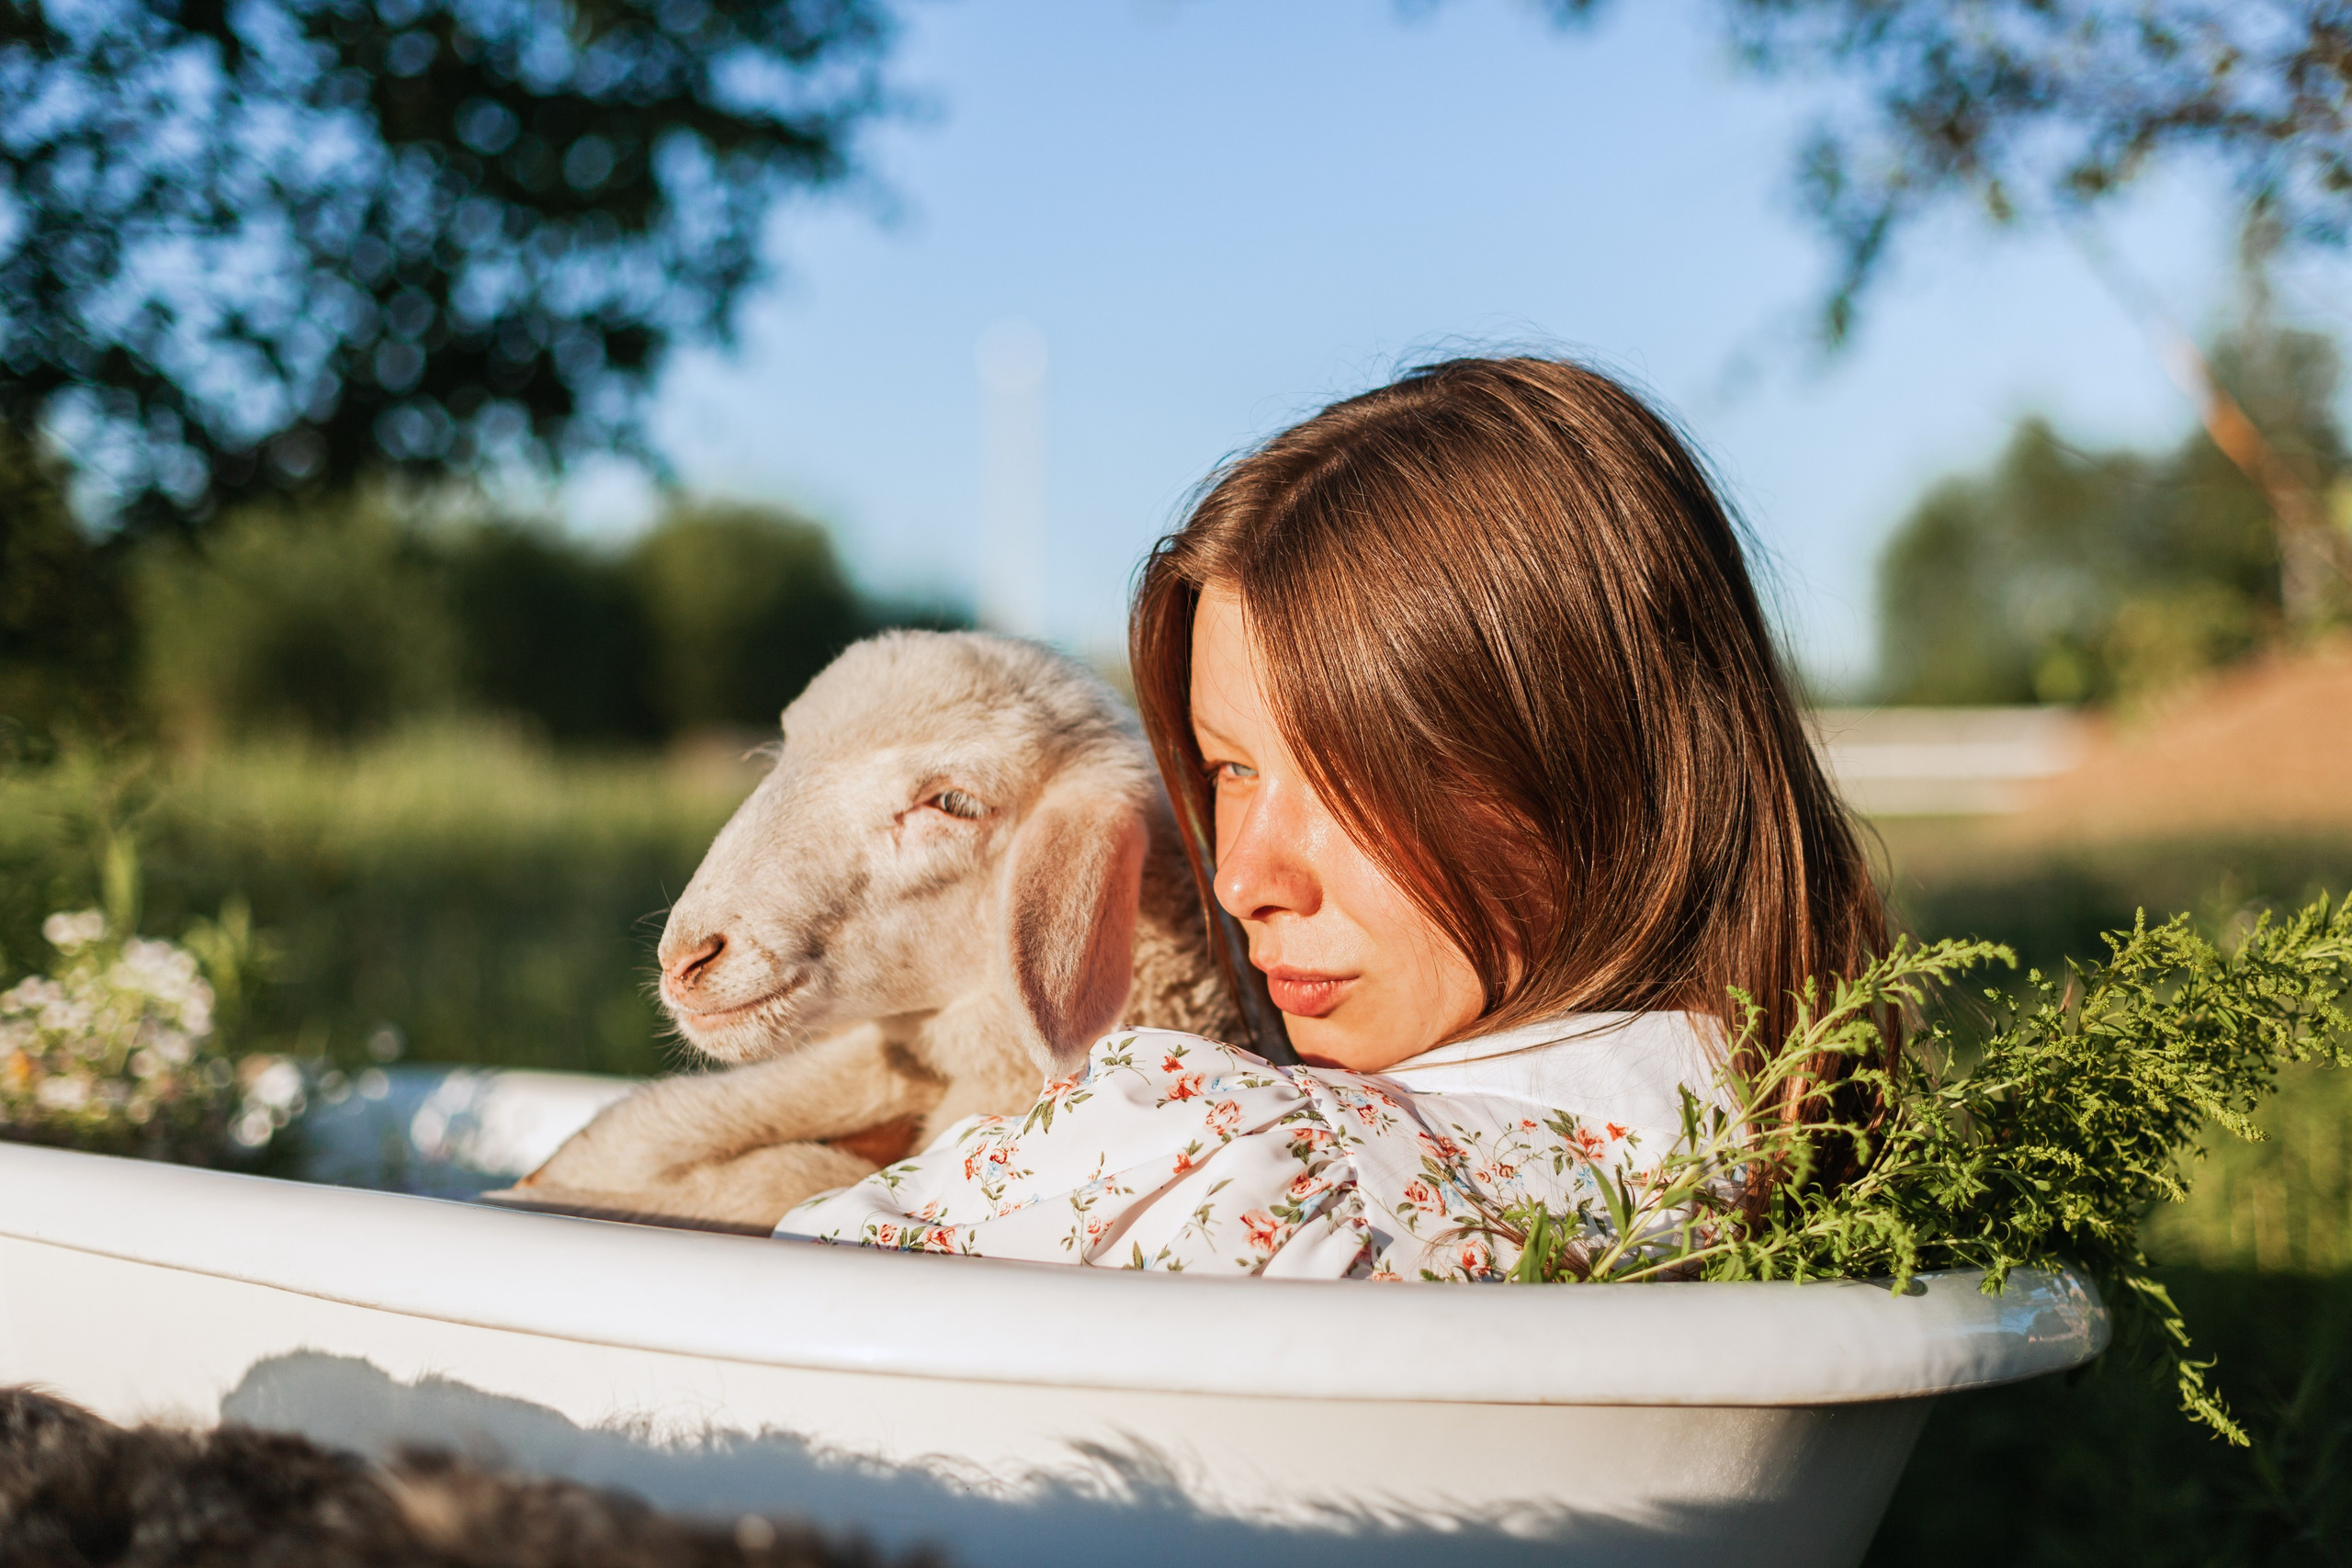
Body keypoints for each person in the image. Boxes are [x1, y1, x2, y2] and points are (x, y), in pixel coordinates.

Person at [776, 356, 1888, 1280]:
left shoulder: (1236, 1160)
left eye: (1346, 775)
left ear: (1591, 759)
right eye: (1230, 769)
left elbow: (753, 1305)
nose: (1241, 877)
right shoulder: (1777, 1143)